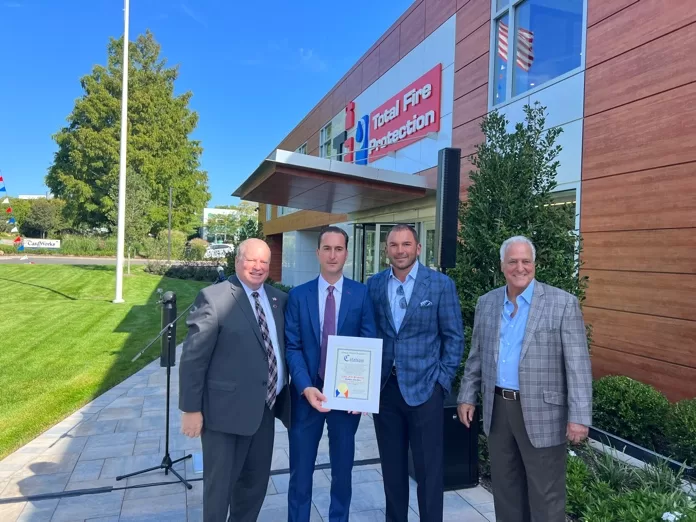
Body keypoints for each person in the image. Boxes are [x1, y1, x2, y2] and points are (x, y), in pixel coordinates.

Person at [457, 235, 592, 522]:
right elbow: (477, 355)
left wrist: (579, 416)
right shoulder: (487, 303)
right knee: (505, 490)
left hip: (544, 413)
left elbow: (578, 365)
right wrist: (467, 395)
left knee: (546, 494)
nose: (520, 267)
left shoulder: (562, 303)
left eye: (525, 261)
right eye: (513, 261)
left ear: (534, 264)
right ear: (502, 266)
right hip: (498, 409)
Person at [178, 238, 291, 522]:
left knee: (254, 486)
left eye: (264, 261)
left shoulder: (279, 299)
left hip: (264, 411)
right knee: (219, 491)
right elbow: (193, 358)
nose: (258, 267)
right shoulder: (214, 298)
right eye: (251, 260)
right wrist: (191, 410)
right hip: (224, 416)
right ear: (237, 261)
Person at [366, 224, 464, 522]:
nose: (400, 250)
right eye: (394, 245)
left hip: (425, 392)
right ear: (386, 250)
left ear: (418, 248)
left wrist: (441, 384)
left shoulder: (439, 284)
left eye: (406, 244)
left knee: (429, 473)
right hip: (385, 391)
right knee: (392, 472)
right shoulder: (374, 284)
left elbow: (454, 337)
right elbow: (368, 334)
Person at [285, 226, 377, 522]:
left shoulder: (361, 294)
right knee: (300, 474)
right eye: (327, 248)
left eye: (339, 249)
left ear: (346, 254)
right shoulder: (298, 296)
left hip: (345, 400)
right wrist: (304, 387)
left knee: (342, 473)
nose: (333, 254)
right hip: (306, 397)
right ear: (318, 253)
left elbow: (367, 344)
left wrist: (361, 393)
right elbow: (293, 346)